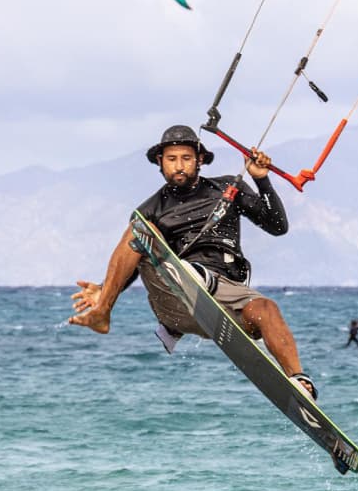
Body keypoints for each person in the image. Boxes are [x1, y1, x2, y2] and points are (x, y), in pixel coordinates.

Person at [69, 124, 318, 400]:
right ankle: (103, 314)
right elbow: (135, 260)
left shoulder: (227, 188)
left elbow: (277, 226)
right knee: (139, 229)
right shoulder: (152, 210)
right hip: (176, 298)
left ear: (199, 160)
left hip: (226, 292)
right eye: (172, 159)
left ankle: (299, 381)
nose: (179, 166)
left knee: (266, 308)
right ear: (159, 162)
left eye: (186, 158)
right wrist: (105, 290)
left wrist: (262, 180)